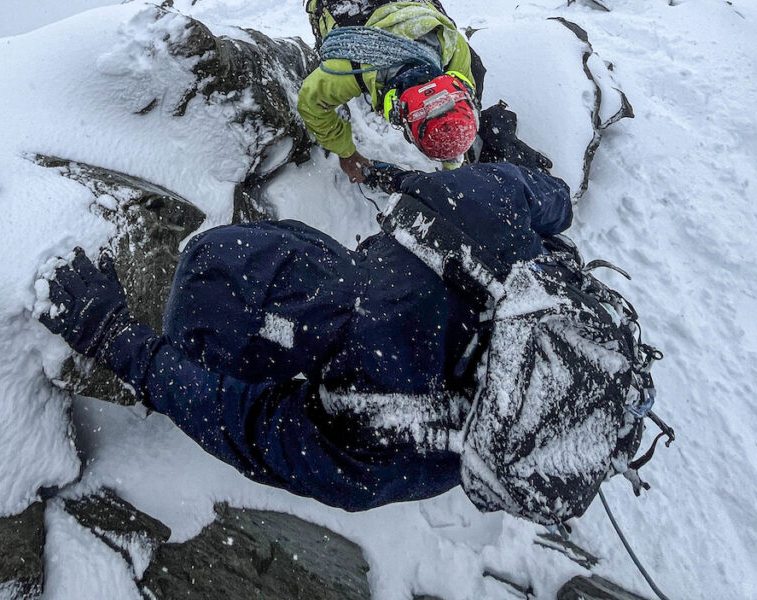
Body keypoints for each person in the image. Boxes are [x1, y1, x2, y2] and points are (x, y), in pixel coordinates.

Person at [38, 160, 577, 514]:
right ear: (306, 239)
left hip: (486, 448)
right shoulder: (457, 204)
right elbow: (556, 202)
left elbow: (228, 415)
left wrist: (113, 337)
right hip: (576, 333)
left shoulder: (351, 432)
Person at [298, 0, 486, 184]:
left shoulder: (450, 44)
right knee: (324, 12)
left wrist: (452, 159)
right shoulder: (351, 67)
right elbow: (310, 103)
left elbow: (447, 112)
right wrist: (345, 151)